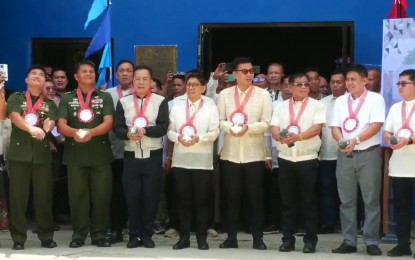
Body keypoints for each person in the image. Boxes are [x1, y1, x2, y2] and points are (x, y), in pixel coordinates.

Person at [57, 60, 114, 248]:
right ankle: (79, 234)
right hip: (76, 155)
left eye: (91, 71)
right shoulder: (67, 98)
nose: (89, 74)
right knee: (78, 196)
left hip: (100, 154)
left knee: (101, 196)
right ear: (76, 76)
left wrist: (90, 133)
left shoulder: (104, 97)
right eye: (84, 71)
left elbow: (108, 123)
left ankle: (99, 234)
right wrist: (75, 133)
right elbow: (61, 125)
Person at [217, 57, 272, 250]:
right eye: (245, 71)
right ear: (235, 74)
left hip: (254, 154)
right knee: (231, 197)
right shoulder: (224, 94)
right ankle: (231, 237)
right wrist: (230, 127)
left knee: (255, 198)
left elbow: (267, 123)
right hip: (230, 154)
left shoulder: (263, 95)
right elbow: (219, 120)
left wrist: (248, 127)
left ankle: (258, 238)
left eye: (251, 71)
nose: (249, 74)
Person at [330, 65, 385, 256]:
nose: (349, 83)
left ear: (364, 81)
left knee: (370, 199)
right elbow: (335, 127)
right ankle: (349, 241)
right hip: (345, 154)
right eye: (348, 80)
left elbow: (376, 125)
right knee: (346, 200)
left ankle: (371, 241)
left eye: (353, 79)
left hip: (368, 153)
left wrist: (356, 140)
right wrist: (341, 140)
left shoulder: (375, 99)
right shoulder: (340, 101)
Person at [114, 65, 169, 248]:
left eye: (145, 79)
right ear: (132, 80)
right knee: (132, 197)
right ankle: (134, 234)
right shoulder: (123, 102)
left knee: (151, 197)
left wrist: (145, 130)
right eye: (137, 78)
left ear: (151, 81)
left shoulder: (160, 101)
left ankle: (147, 234)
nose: (141, 82)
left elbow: (162, 127)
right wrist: (128, 134)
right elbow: (118, 127)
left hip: (153, 156)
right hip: (131, 156)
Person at [271, 72, 325, 253]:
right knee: (287, 202)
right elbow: (274, 127)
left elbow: (317, 128)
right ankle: (288, 239)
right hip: (286, 158)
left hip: (307, 158)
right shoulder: (281, 107)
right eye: (299, 84)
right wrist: (279, 136)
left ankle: (310, 241)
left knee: (308, 201)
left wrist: (298, 137)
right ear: (290, 87)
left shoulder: (317, 105)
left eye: (306, 84)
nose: (303, 87)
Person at [7, 65, 58, 250]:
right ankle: (18, 238)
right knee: (18, 198)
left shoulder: (50, 103)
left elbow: (51, 120)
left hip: (42, 156)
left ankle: (46, 236)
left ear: (45, 81)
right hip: (19, 155)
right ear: (26, 80)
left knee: (43, 198)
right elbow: (13, 115)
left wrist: (48, 125)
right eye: (33, 74)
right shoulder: (16, 98)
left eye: (41, 75)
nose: (37, 76)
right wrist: (30, 128)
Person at [168, 73, 219, 250]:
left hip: (202, 161)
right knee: (183, 201)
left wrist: (200, 138)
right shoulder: (177, 106)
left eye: (195, 85)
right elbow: (170, 131)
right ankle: (184, 238)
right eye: (188, 84)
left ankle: (201, 238)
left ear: (203, 87)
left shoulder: (210, 106)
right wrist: (178, 138)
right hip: (181, 160)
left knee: (202, 201)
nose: (191, 88)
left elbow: (215, 132)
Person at [383, 69, 415, 257]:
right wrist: (391, 140)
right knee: (401, 208)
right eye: (398, 83)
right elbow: (386, 132)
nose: (400, 87)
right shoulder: (395, 107)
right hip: (399, 166)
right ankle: (403, 245)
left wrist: (409, 141)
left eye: (404, 83)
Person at [106, 60, 135, 243]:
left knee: (133, 192)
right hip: (113, 151)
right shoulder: (107, 94)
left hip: (135, 152)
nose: (125, 73)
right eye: (121, 71)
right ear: (116, 74)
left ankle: (134, 229)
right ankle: (116, 228)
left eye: (128, 71)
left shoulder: (141, 94)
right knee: (115, 192)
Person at [318, 70, 347, 233]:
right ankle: (328, 223)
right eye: (333, 82)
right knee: (327, 190)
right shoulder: (323, 103)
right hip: (327, 153)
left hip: (347, 153)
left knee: (347, 192)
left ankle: (346, 224)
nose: (335, 85)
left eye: (339, 82)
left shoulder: (351, 101)